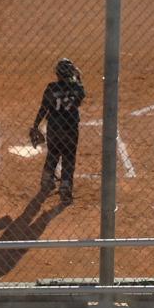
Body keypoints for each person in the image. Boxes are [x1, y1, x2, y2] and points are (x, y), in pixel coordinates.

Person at [29, 59, 86, 205]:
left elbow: (44, 108)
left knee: (53, 152)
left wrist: (36, 125)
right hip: (70, 129)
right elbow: (80, 98)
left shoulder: (51, 88)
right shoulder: (77, 88)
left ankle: (47, 180)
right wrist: (78, 77)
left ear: (57, 74)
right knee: (69, 157)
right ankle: (65, 188)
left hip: (54, 127)